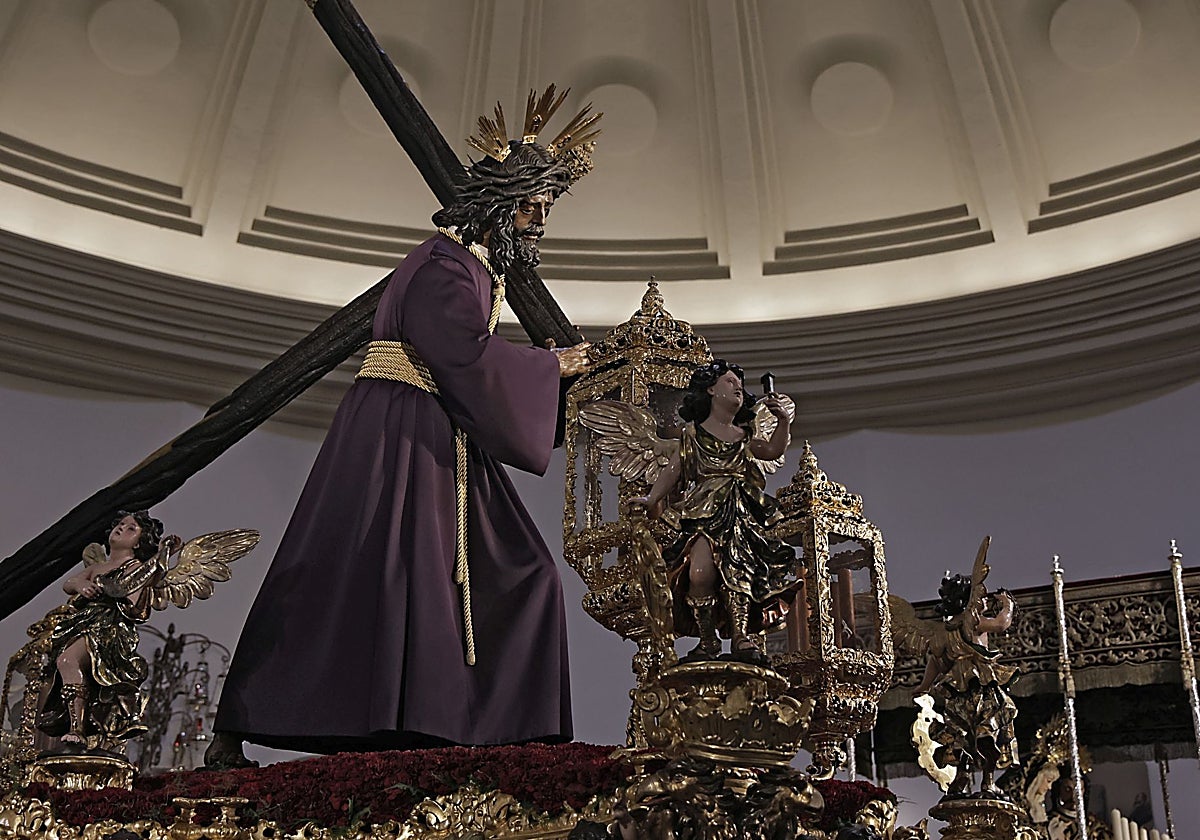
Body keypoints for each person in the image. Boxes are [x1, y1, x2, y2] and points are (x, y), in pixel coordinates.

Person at [205, 87, 598, 767]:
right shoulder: (448, 266)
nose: (538, 224)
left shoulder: (466, 266)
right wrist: (548, 365)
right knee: (375, 573)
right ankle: (255, 720)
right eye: (532, 209)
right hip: (404, 432)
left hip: (435, 431)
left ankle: (456, 720)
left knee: (491, 574)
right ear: (500, 206)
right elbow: (458, 354)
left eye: (545, 211)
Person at [632, 360, 794, 663]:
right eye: (730, 382)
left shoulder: (744, 436)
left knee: (740, 571)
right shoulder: (692, 435)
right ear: (710, 389)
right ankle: (707, 640)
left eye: (740, 385)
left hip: (741, 512)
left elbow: (773, 451)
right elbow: (673, 470)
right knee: (700, 573)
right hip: (703, 513)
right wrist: (651, 498)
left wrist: (783, 422)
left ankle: (741, 636)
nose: (737, 388)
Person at [38, 511, 174, 752]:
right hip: (83, 623)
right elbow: (69, 583)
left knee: (70, 662)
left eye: (131, 528)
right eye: (121, 524)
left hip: (109, 629)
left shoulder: (136, 568)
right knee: (70, 665)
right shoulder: (99, 566)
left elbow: (139, 593)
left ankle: (78, 728)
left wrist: (163, 554)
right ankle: (76, 727)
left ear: (140, 542)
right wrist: (82, 584)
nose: (122, 529)